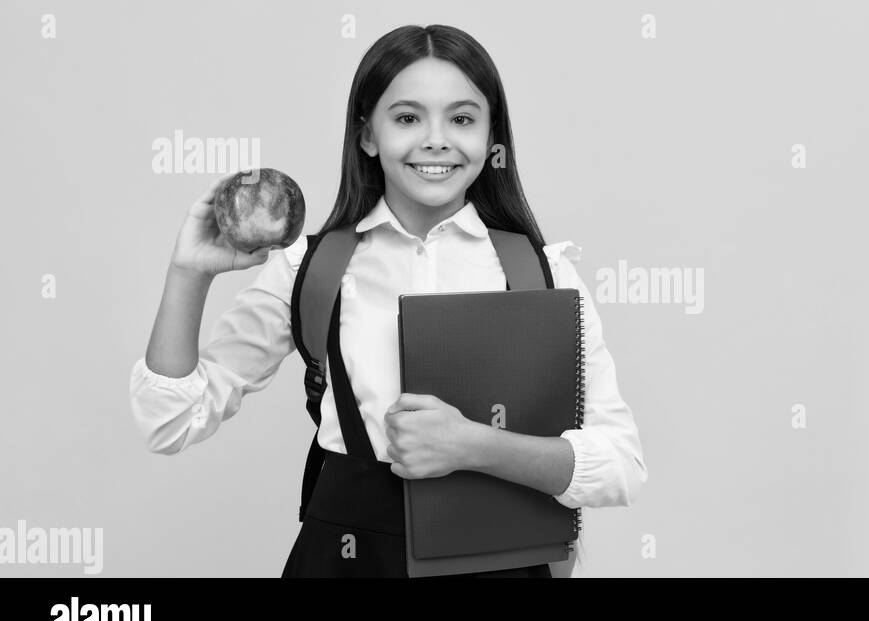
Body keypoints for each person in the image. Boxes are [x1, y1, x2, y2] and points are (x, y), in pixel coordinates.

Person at [129, 24, 647, 578]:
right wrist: (189, 274)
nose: (436, 140)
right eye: (406, 118)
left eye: (462, 119)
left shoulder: (543, 273)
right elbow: (170, 423)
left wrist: (474, 446)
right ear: (367, 135)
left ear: (492, 138)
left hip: (502, 563)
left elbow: (621, 465)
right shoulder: (311, 269)